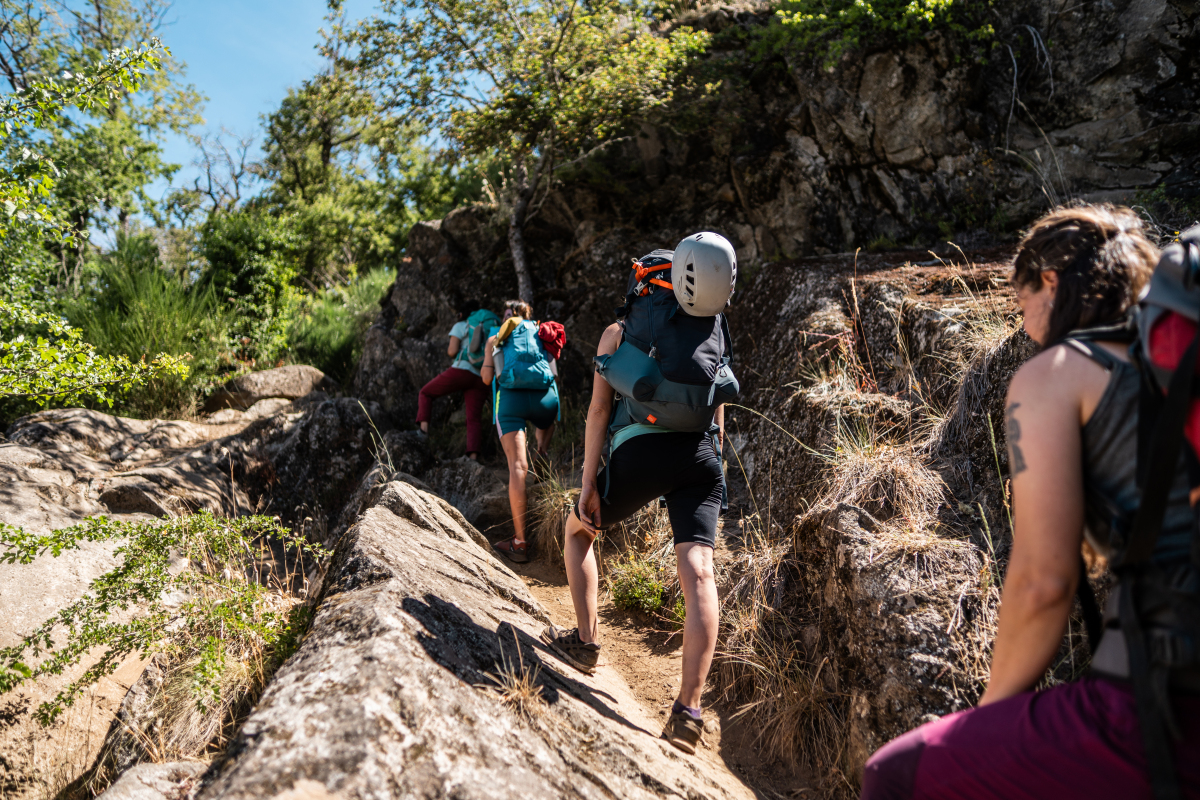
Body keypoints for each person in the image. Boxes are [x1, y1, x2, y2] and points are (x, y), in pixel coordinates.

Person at [861, 205, 1200, 799]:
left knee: (894, 774)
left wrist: (984, 726)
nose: (1028, 331)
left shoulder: (1058, 374)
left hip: (1163, 701)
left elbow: (1043, 583)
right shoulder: (1175, 374)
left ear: (1048, 282)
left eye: (1022, 309)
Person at [540, 233, 739, 756]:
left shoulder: (619, 332)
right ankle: (689, 710)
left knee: (578, 531)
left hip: (639, 457)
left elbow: (600, 414)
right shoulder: (714, 325)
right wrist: (712, 460)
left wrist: (588, 482)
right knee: (698, 569)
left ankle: (585, 643)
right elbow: (720, 400)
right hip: (699, 459)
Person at [484, 299, 564, 564]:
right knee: (544, 423)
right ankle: (541, 451)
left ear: (508, 317)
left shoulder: (498, 336)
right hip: (546, 401)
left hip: (511, 401)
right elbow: (553, 374)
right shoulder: (542, 332)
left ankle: (520, 544)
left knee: (518, 468)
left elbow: (487, 379)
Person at [416, 301, 498, 460]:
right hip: (482, 375)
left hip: (462, 370)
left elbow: (452, 351)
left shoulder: (461, 325)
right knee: (473, 418)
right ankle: (473, 457)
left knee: (426, 393)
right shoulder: (487, 327)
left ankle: (423, 432)